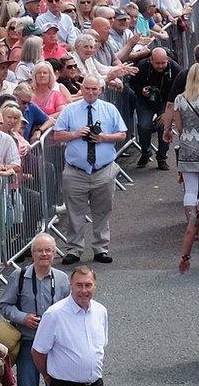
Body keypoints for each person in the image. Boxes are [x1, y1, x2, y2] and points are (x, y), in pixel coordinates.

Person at [50, 76, 128, 265]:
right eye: (87, 88)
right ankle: (74, 249)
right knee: (74, 213)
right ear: (82, 89)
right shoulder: (70, 110)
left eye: (94, 89)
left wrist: (104, 137)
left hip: (103, 170)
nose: (91, 92)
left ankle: (101, 248)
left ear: (100, 90)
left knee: (102, 211)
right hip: (76, 171)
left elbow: (122, 134)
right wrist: (75, 134)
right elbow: (57, 135)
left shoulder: (109, 109)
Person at [0, 236, 69, 386]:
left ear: (54, 253)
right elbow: (3, 306)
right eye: (39, 250)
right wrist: (23, 318)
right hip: (28, 342)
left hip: (55, 344)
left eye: (48, 250)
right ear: (32, 253)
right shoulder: (19, 276)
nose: (44, 254)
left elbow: (70, 311)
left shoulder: (62, 279)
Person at [30, 265, 108, 386]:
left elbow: (100, 347)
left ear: (94, 286)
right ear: (71, 286)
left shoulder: (101, 311)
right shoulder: (54, 314)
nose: (84, 290)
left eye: (88, 285)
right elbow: (38, 352)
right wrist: (47, 377)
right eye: (79, 285)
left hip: (95, 382)